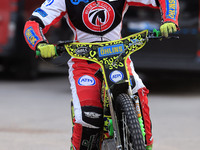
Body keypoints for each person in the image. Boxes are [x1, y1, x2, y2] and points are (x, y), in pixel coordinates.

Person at [24, 0, 179, 149]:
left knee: (138, 93)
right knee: (87, 117)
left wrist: (170, 20)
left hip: (118, 57)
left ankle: (146, 146)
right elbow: (33, 23)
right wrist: (40, 43)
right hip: (84, 63)